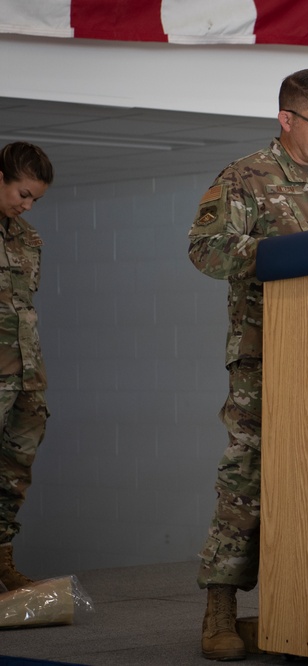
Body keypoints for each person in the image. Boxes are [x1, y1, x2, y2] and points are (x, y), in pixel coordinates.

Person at [188, 69, 308, 661]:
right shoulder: (245, 177)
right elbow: (205, 249)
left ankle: (307, 603)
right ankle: (220, 609)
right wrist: (282, 255)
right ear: (287, 119)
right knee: (249, 480)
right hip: (265, 358)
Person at [0, 142, 53, 593]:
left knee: (15, 469)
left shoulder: (27, 238)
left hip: (25, 375)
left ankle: (1, 558)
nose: (27, 204)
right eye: (22, 193)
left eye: (35, 198)